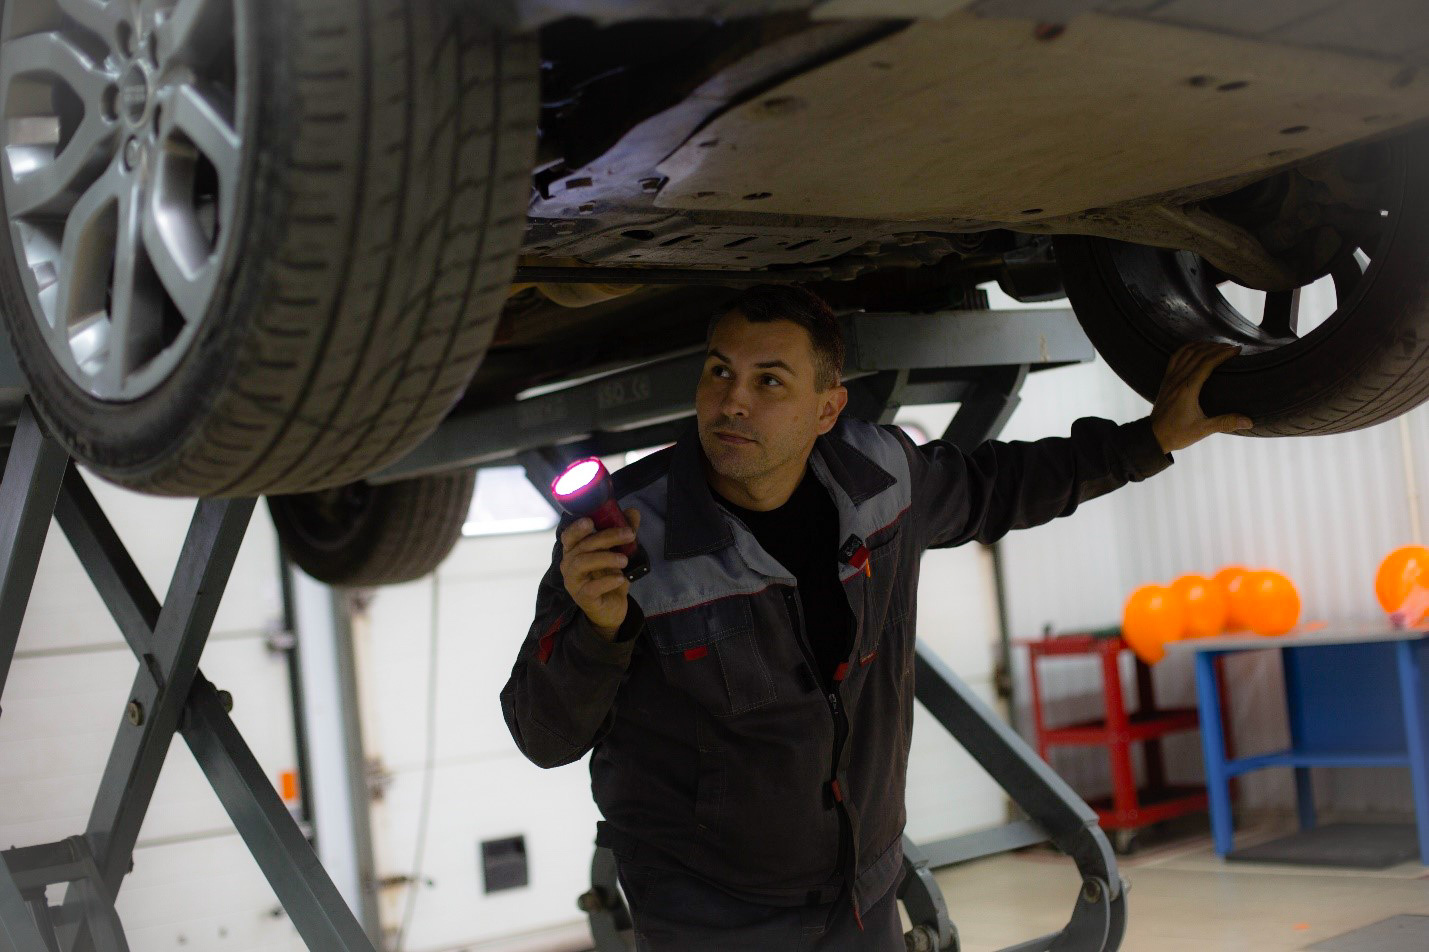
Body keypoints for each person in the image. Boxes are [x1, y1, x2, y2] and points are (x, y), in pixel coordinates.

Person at [500, 285, 1252, 951]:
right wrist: (598, 632)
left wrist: (1150, 439)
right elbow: (543, 736)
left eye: (769, 380)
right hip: (708, 915)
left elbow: (1002, 486)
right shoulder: (624, 539)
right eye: (719, 371)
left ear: (827, 409)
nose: (733, 402)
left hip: (861, 894)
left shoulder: (880, 480)